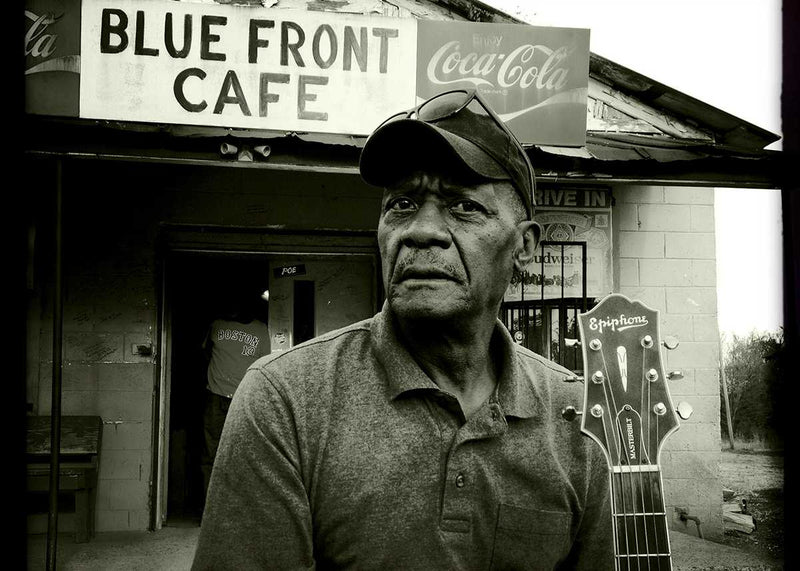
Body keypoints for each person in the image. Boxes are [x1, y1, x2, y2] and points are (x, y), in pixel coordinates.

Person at [192, 89, 614, 569]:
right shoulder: (285, 399)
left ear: (524, 246)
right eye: (403, 203)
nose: (421, 230)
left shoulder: (580, 417)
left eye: (463, 207)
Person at [200, 297, 270, 500]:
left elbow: (264, 364)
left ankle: (236, 508)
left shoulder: (261, 329)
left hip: (243, 398)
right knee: (211, 453)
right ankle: (210, 507)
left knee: (243, 453)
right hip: (215, 395)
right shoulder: (217, 325)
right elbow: (205, 353)